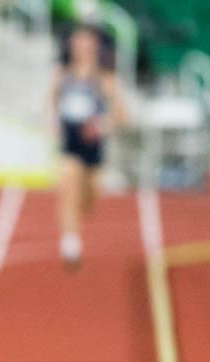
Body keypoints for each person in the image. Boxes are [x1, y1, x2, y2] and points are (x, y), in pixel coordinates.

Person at [52, 23, 127, 269]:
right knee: (68, 184)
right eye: (77, 41)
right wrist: (53, 125)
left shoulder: (104, 79)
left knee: (89, 202)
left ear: (95, 46)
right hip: (70, 142)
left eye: (87, 41)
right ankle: (71, 243)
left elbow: (122, 114)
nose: (81, 46)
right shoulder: (63, 75)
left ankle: (75, 226)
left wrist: (101, 126)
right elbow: (52, 104)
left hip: (94, 146)